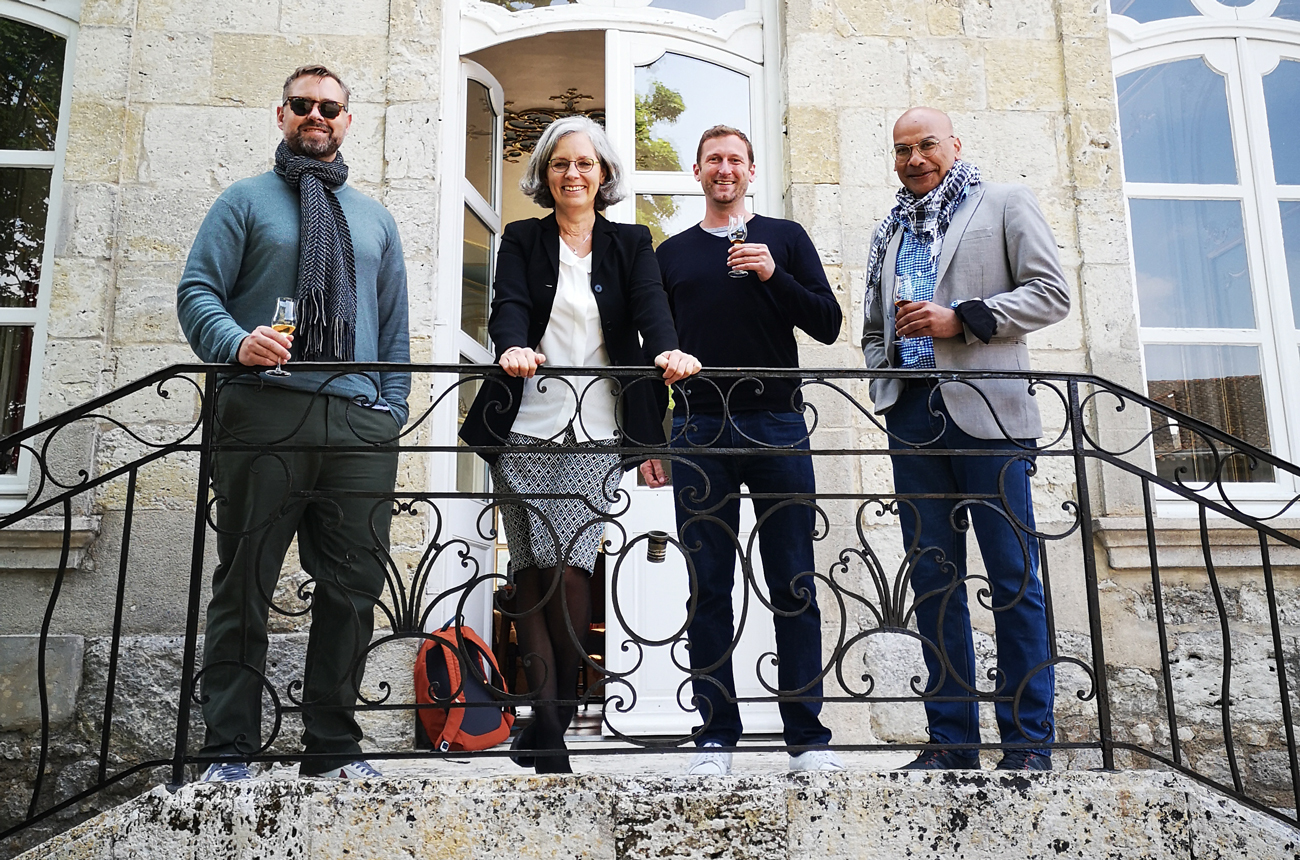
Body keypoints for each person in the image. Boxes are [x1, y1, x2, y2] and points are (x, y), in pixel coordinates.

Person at [176, 65, 410, 782]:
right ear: (281, 114)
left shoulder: (375, 218)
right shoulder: (244, 200)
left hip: (359, 424)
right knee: (244, 582)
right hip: (265, 410)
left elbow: (395, 328)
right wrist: (235, 343)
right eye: (303, 104)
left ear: (347, 121)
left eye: (330, 108)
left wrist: (391, 412)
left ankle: (333, 749)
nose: (317, 115)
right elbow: (197, 292)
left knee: (353, 590)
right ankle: (229, 752)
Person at [459, 115, 700, 774]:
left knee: (570, 572)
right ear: (546, 173)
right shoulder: (522, 238)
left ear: (604, 174)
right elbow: (508, 304)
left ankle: (553, 717)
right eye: (561, 163)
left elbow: (650, 310)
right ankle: (550, 729)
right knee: (532, 575)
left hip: (596, 430)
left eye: (585, 163)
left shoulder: (631, 242)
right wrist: (512, 345)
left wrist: (669, 350)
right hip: (524, 428)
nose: (573, 174)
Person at [861, 107, 1070, 771]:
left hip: (990, 419)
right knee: (933, 580)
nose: (914, 159)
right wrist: (886, 377)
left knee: (1012, 578)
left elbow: (1051, 294)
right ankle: (950, 742)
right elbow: (873, 328)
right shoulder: (890, 229)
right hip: (913, 418)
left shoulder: (1004, 203)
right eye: (902, 150)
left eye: (926, 145)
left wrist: (965, 319)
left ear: (955, 144)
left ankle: (1027, 745)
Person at [642, 125, 844, 776]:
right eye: (713, 160)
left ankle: (806, 739)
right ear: (697, 172)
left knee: (794, 583)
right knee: (708, 588)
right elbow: (652, 351)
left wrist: (773, 274)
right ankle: (715, 737)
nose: (724, 169)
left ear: (751, 171)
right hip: (697, 430)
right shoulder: (671, 254)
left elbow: (828, 323)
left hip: (778, 425)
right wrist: (651, 438)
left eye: (735, 159)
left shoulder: (785, 238)